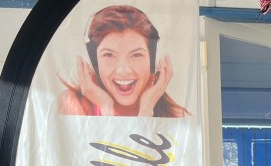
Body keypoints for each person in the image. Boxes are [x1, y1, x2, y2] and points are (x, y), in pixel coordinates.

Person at [58, 5, 189, 117]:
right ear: (93, 61)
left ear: (153, 60)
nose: (124, 71)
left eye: (136, 55)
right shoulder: (73, 104)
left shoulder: (176, 114)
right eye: (109, 55)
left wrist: (146, 110)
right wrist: (106, 107)